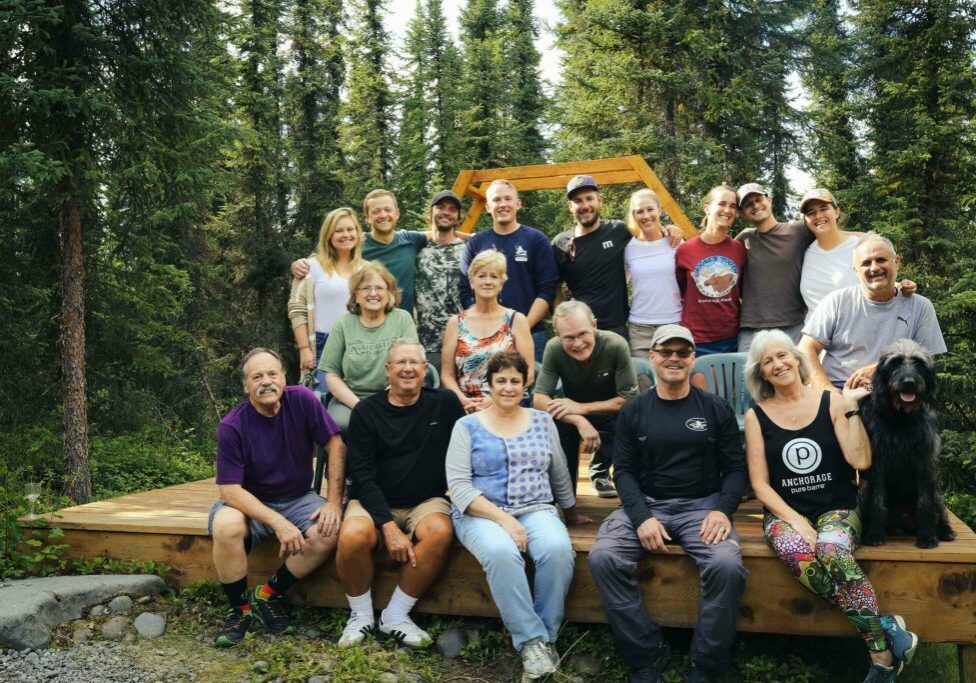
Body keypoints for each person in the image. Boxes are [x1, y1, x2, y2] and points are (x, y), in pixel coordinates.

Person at [743, 330, 918, 682]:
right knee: (800, 554)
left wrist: (850, 405)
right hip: (785, 512)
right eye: (767, 361)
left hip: (836, 506)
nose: (778, 364)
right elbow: (760, 484)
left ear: (797, 359)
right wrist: (797, 522)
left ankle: (883, 659)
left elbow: (861, 460)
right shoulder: (756, 416)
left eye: (782, 356)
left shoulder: (831, 401)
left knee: (832, 551)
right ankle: (883, 641)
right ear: (760, 373)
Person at [588, 324, 747, 683]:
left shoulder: (715, 408)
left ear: (693, 359)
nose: (674, 358)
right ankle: (645, 654)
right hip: (647, 503)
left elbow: (736, 469)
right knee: (603, 557)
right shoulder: (634, 411)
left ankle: (707, 662)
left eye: (682, 352)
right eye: (666, 351)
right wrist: (641, 517)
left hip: (702, 506)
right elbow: (623, 472)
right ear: (653, 357)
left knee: (726, 565)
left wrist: (723, 509)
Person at [446, 351, 590, 681]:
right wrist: (504, 519)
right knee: (501, 552)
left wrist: (570, 511)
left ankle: (543, 641)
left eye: (515, 381)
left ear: (525, 385)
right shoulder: (466, 426)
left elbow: (558, 474)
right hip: (480, 512)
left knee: (557, 550)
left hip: (536, 507)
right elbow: (459, 487)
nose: (508, 387)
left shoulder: (542, 421)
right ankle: (532, 642)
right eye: (501, 381)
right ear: (489, 385)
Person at [209, 348, 346, 647]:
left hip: (298, 496)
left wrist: (334, 501)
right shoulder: (232, 426)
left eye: (272, 374)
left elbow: (335, 444)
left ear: (284, 378)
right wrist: (277, 522)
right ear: (246, 386)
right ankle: (239, 611)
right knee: (225, 526)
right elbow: (229, 491)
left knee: (330, 530)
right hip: (250, 501)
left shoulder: (303, 400)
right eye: (257, 377)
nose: (266, 382)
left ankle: (267, 596)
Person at [335, 340, 465, 649]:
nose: (408, 368)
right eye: (400, 363)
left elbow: (469, 445)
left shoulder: (445, 403)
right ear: (388, 370)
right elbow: (363, 476)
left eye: (414, 363)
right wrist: (388, 526)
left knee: (439, 530)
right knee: (352, 535)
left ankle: (395, 616)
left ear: (424, 369)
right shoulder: (366, 412)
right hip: (374, 497)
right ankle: (361, 616)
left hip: (426, 499)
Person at [798, 233, 946, 391]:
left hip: (893, 395)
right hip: (839, 391)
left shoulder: (920, 306)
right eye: (866, 263)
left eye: (881, 260)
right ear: (855, 270)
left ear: (897, 262)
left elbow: (928, 359)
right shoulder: (837, 301)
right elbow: (806, 349)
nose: (874, 268)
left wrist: (880, 368)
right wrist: (828, 391)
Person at [534, 300, 638, 499]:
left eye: (583, 334)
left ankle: (629, 496)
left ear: (594, 325)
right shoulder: (553, 349)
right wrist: (578, 418)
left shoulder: (615, 344)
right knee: (557, 425)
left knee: (632, 419)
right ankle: (566, 501)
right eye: (569, 338)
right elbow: (539, 399)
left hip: (611, 410)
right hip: (572, 415)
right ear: (558, 336)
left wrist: (581, 408)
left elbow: (628, 399)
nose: (578, 343)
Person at [292, 189, 447, 313]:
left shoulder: (410, 240)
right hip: (366, 322)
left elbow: (440, 235)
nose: (383, 215)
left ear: (397, 214)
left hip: (402, 324)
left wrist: (471, 237)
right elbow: (328, 257)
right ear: (367, 218)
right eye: (376, 211)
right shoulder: (356, 243)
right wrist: (299, 264)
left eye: (388, 210)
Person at [459, 179, 559, 362]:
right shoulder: (476, 243)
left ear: (518, 203)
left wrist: (521, 327)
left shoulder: (536, 240)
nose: (503, 204)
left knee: (531, 388)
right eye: (496, 200)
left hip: (530, 334)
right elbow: (465, 290)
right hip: (485, 336)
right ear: (488, 207)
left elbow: (547, 289)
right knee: (484, 389)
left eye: (507, 198)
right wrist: (487, 327)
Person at [320, 262, 419, 430]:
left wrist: (386, 403)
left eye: (380, 288)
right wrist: (361, 407)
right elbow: (332, 375)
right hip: (352, 399)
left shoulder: (402, 319)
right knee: (342, 425)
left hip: (398, 396)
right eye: (365, 288)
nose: (373, 293)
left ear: (390, 294)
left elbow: (411, 366)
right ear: (355, 295)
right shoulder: (343, 324)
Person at [441, 249, 534, 413]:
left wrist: (493, 400)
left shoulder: (517, 320)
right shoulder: (455, 323)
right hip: (465, 406)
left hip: (508, 404)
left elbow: (529, 373)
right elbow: (447, 376)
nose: (488, 281)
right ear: (471, 281)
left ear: (501, 283)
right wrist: (463, 401)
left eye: (494, 276)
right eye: (482, 276)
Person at [288, 207, 366, 393]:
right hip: (323, 346)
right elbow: (296, 309)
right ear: (328, 235)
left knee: (357, 405)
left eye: (350, 229)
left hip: (359, 346)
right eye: (339, 230)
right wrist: (305, 348)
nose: (346, 235)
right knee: (321, 404)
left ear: (358, 232)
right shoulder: (311, 267)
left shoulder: (367, 270)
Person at [735, 183, 812, 351]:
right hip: (752, 328)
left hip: (793, 325)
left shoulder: (799, 231)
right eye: (748, 204)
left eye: (758, 199)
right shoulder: (743, 239)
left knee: (798, 375)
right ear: (742, 213)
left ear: (769, 200)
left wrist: (869, 239)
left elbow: (833, 236)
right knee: (746, 376)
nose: (755, 206)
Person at [675, 185, 747, 356]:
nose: (727, 210)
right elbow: (681, 290)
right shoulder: (685, 249)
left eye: (732, 206)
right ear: (707, 208)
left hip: (732, 339)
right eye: (722, 204)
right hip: (695, 340)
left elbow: (742, 291)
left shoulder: (739, 249)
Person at [624, 188, 683, 358]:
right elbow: (619, 283)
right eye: (639, 211)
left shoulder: (675, 243)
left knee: (673, 380)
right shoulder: (628, 248)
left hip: (672, 324)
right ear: (633, 215)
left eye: (650, 209)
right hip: (639, 328)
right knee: (644, 381)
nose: (645, 215)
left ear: (660, 210)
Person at [415, 190, 467, 370]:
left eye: (452, 209)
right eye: (440, 207)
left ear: (458, 218)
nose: (446, 212)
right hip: (424, 345)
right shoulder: (416, 249)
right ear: (430, 214)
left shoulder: (468, 251)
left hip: (462, 343)